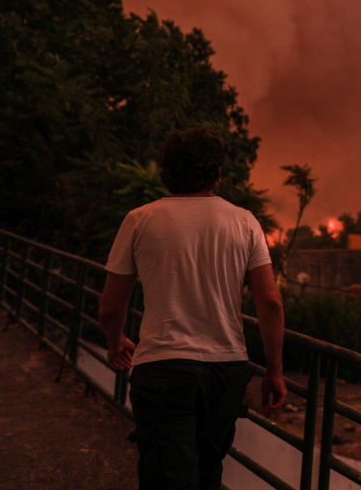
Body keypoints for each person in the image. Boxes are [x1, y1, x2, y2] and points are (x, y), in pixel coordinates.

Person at [99, 127, 286, 490]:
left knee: (166, 476)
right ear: (217, 174)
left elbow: (109, 307)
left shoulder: (140, 220)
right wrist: (274, 372)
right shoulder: (245, 222)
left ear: (166, 173)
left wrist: (115, 340)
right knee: (208, 472)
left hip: (163, 368)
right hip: (226, 370)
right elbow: (270, 302)